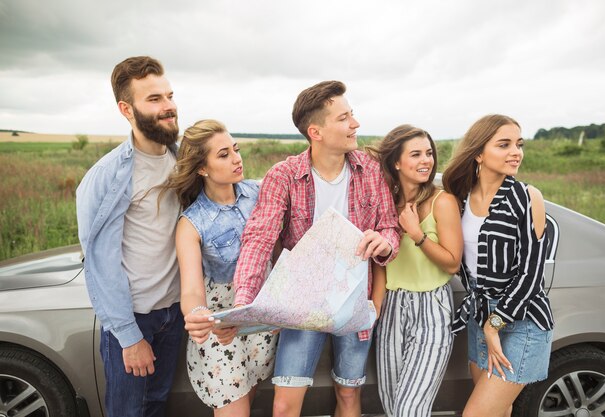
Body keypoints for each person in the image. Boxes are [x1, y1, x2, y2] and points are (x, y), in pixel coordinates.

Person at [231, 80, 401, 417]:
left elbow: (390, 228)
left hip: (354, 301)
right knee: (283, 405)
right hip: (301, 304)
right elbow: (259, 238)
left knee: (349, 396)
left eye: (352, 115)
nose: (355, 124)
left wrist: (384, 242)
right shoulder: (283, 175)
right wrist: (243, 302)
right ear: (316, 131)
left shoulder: (371, 171)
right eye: (344, 118)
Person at [76, 56, 184, 417]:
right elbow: (99, 261)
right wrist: (128, 336)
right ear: (127, 109)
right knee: (128, 412)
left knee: (156, 405)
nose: (168, 106)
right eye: (154, 99)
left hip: (175, 312)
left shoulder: (182, 159)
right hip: (136, 318)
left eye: (168, 95)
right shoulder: (106, 176)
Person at [161, 119, 277, 416]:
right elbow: (191, 289)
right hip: (222, 324)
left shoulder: (261, 192)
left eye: (235, 149)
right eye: (223, 154)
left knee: (249, 397)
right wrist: (198, 314)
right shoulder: (192, 223)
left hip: (261, 315)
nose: (237, 159)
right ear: (202, 168)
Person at [442, 114, 554, 417]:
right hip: (480, 315)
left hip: (521, 322)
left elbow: (531, 275)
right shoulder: (460, 197)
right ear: (478, 152)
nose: (515, 152)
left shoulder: (527, 197)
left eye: (519, 144)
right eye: (504, 144)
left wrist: (496, 324)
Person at [367, 125, 463, 417]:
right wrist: (375, 310)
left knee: (410, 409)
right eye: (416, 154)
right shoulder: (384, 204)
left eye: (429, 153)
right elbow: (380, 265)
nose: (426, 160)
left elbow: (452, 262)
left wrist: (416, 234)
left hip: (431, 307)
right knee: (392, 403)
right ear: (396, 162)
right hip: (393, 307)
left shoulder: (442, 201)